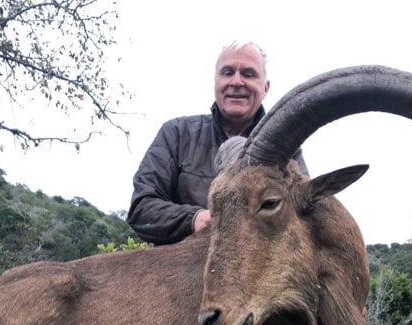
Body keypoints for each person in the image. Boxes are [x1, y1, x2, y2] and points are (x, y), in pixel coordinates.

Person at [127, 41, 308, 245]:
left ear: (265, 87)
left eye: (249, 74)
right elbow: (142, 208)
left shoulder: (286, 149)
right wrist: (195, 220)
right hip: (178, 269)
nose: (236, 82)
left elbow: (304, 215)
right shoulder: (177, 134)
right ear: (216, 82)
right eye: (227, 72)